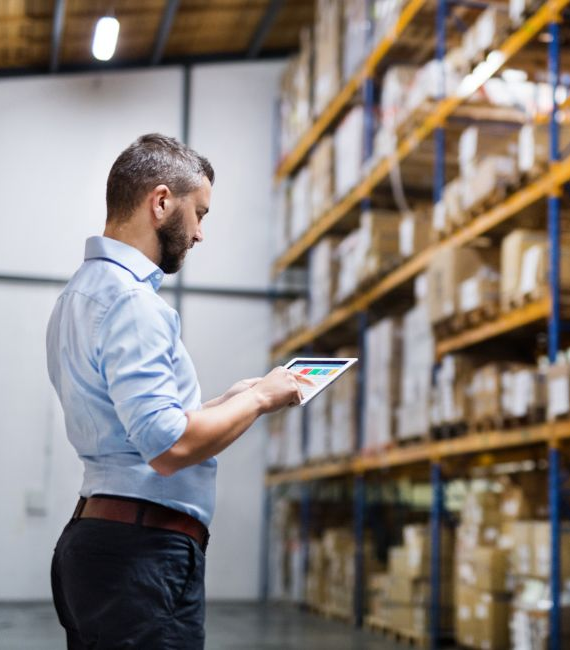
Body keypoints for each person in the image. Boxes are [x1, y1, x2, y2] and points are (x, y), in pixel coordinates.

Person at [46, 133, 308, 650]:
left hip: (99, 544)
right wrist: (260, 400)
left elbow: (134, 427)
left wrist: (226, 402)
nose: (200, 234)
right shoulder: (133, 304)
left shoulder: (79, 294)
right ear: (162, 202)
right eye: (200, 214)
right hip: (140, 557)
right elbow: (168, 447)